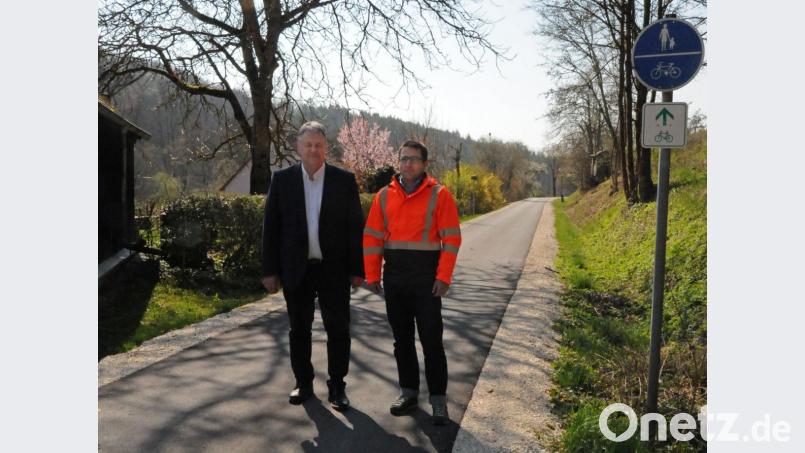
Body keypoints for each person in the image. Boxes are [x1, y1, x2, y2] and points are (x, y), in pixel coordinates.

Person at [261, 121, 365, 411]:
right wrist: (269, 271)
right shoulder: (282, 180)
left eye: (318, 145)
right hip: (297, 269)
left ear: (326, 148)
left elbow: (355, 228)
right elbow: (271, 228)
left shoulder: (344, 181)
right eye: (308, 144)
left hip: (334, 270)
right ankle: (303, 383)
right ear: (298, 147)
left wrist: (358, 269)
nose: (313, 150)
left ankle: (337, 385)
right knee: (299, 330)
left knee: (339, 329)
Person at [363, 140, 462, 425]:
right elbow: (372, 237)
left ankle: (438, 400)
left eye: (414, 159)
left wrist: (443, 277)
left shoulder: (439, 195)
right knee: (401, 340)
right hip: (395, 278)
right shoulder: (384, 196)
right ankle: (408, 393)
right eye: (403, 158)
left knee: (432, 341)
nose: (408, 164)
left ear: (424, 164)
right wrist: (372, 275)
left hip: (426, 279)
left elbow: (452, 238)